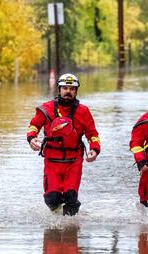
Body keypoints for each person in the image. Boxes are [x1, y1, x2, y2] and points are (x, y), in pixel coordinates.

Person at [27, 73, 100, 216]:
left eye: (72, 89)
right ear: (59, 89)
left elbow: (93, 134)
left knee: (71, 198)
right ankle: (55, 223)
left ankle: (70, 231)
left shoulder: (83, 112)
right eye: (65, 88)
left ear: (76, 91)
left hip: (74, 161)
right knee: (52, 198)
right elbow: (33, 126)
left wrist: (95, 150)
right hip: (52, 160)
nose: (68, 91)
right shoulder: (46, 109)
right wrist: (31, 138)